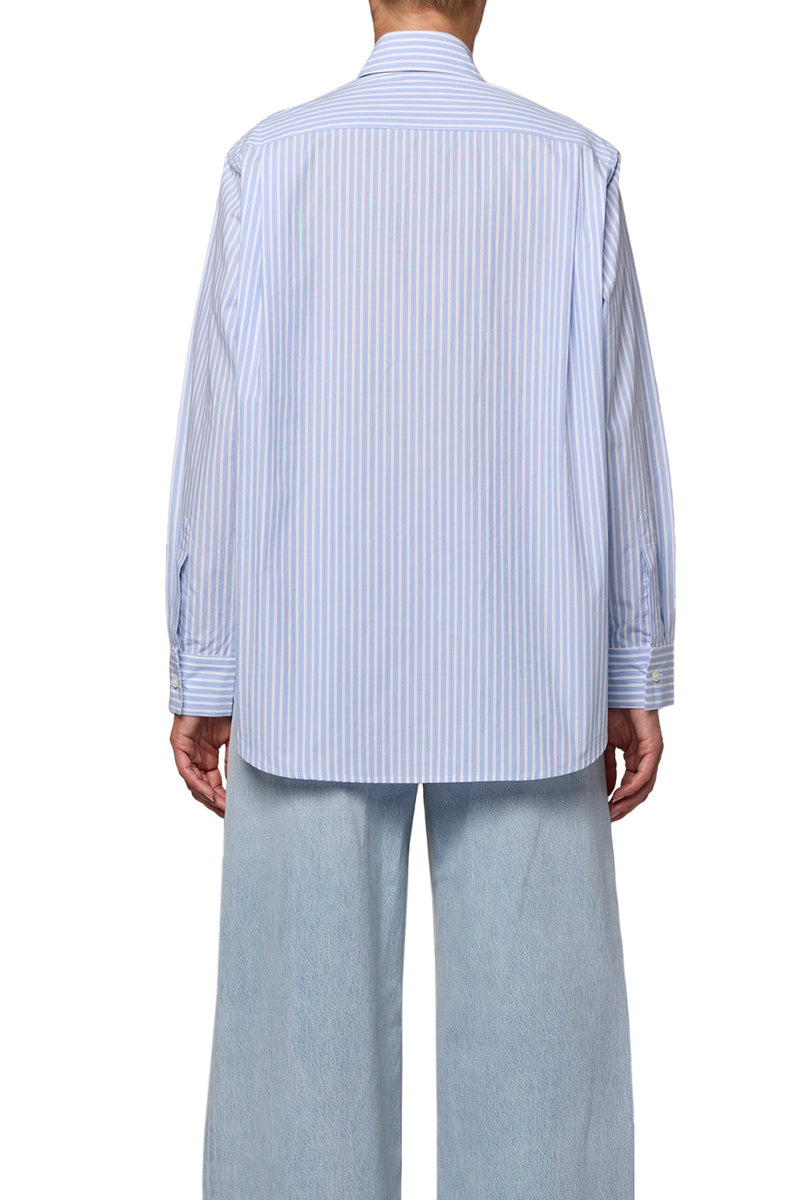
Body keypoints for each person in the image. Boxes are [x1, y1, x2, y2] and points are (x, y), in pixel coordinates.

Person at [165, 1, 676, 1196]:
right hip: (527, 664)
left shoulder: (269, 164)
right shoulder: (570, 166)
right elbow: (619, 434)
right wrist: (630, 661)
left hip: (308, 663)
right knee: (545, 1073)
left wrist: (206, 665)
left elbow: (219, 429)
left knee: (293, 1078)